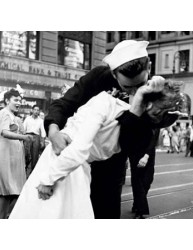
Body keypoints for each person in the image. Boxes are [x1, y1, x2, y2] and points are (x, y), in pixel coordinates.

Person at [9, 77, 183, 219]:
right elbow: (76, 143)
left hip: (78, 169)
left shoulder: (138, 123)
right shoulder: (105, 97)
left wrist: (145, 106)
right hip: (65, 162)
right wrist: (48, 178)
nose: (154, 112)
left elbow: (132, 141)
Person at [42, 40, 159, 219]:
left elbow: (137, 143)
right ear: (114, 73)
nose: (135, 91)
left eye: (140, 84)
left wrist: (138, 109)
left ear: (149, 67)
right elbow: (65, 103)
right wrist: (53, 129)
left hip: (112, 166)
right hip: (76, 164)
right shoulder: (98, 78)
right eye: (127, 87)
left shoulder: (153, 93)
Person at [0, 89, 33, 219]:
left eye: (20, 100)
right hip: (6, 155)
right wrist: (23, 137)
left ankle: (2, 217)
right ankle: (1, 217)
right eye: (15, 100)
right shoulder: (4, 113)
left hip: (13, 156)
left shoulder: (12, 116)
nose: (19, 103)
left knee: (11, 192)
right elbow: (4, 132)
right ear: (6, 101)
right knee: (8, 191)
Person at [129, 128, 160, 219]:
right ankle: (140, 210)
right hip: (135, 151)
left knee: (148, 179)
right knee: (137, 180)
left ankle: (137, 203)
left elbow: (154, 138)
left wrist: (146, 155)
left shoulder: (155, 118)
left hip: (149, 152)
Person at [23, 105, 46, 176]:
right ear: (32, 110)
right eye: (35, 110)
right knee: (26, 155)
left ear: (39, 111)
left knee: (35, 156)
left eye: (37, 110)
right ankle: (24, 171)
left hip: (36, 137)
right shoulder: (27, 119)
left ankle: (32, 174)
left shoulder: (41, 121)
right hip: (27, 136)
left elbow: (43, 132)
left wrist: (42, 141)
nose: (36, 111)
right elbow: (23, 129)